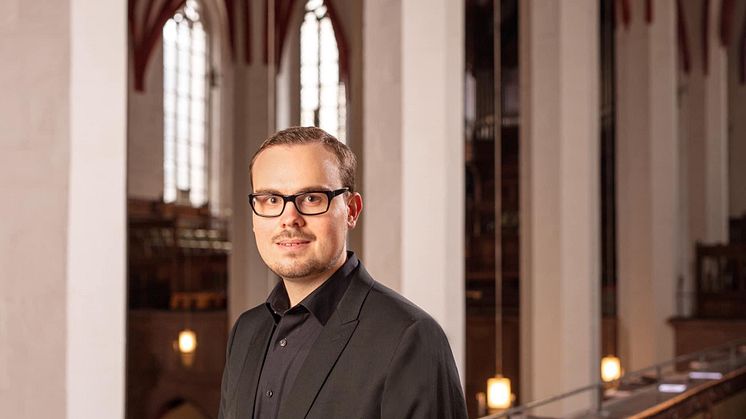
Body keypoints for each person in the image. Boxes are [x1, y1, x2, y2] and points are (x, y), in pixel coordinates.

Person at [218, 126, 467, 419]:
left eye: (311, 198)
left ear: (351, 210)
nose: (289, 219)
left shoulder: (409, 337)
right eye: (271, 199)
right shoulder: (246, 332)